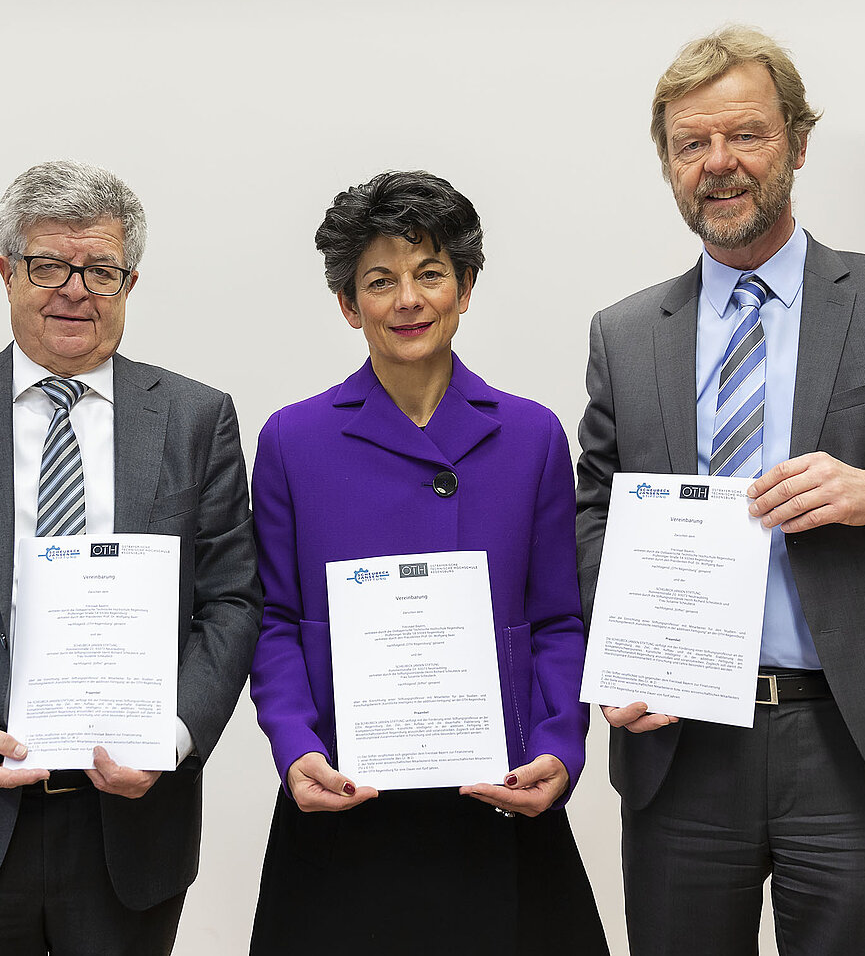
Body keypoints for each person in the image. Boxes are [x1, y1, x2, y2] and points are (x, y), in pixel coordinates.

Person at [575, 26, 865, 956]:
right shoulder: (626, 334)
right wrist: (619, 655)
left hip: (857, 745)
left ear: (799, 143)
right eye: (691, 144)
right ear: (666, 162)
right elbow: (596, 512)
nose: (718, 164)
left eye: (746, 135)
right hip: (682, 750)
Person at [0, 159, 261, 955]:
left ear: (130, 280)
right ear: (6, 272)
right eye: (48, 265)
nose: (75, 289)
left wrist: (169, 736)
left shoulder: (198, 418)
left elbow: (233, 601)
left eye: (101, 269)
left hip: (131, 820)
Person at [247, 170, 608, 954]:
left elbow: (557, 619)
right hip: (344, 799)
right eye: (380, 280)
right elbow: (274, 621)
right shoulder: (292, 442)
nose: (408, 299)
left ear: (466, 288)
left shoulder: (533, 435)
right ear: (349, 305)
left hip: (500, 799)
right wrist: (294, 744)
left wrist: (561, 744)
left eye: (430, 273)